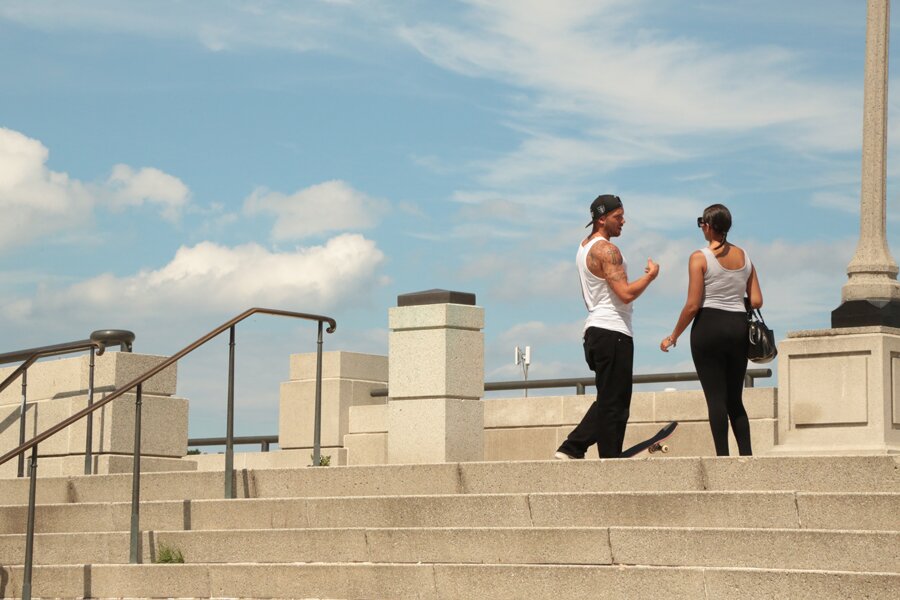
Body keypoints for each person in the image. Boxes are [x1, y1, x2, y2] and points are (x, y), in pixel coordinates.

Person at [555, 194, 659, 460]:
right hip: (613, 332)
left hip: (595, 332)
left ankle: (608, 457)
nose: (623, 221)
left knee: (610, 401)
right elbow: (624, 294)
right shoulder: (607, 250)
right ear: (602, 218)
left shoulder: (584, 246)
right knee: (615, 405)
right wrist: (649, 277)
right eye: (618, 217)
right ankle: (573, 447)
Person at [659, 203, 763, 456]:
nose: (701, 227)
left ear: (708, 225)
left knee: (715, 398)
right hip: (738, 326)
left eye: (702, 223)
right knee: (735, 400)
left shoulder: (699, 257)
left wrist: (673, 336)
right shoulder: (745, 257)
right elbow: (757, 300)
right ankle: (747, 457)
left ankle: (722, 458)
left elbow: (693, 304)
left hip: (709, 327)